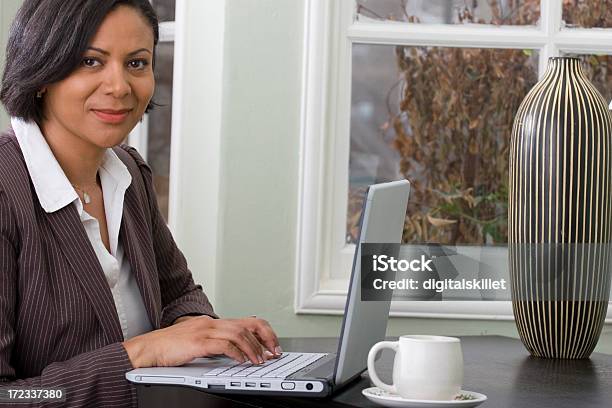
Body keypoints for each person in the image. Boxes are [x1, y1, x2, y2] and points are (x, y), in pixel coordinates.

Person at [0, 1, 281, 406]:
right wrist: (145, 351)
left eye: (136, 63)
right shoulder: (6, 193)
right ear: (42, 71)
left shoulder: (128, 172)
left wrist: (200, 334)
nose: (119, 87)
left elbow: (178, 293)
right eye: (90, 61)